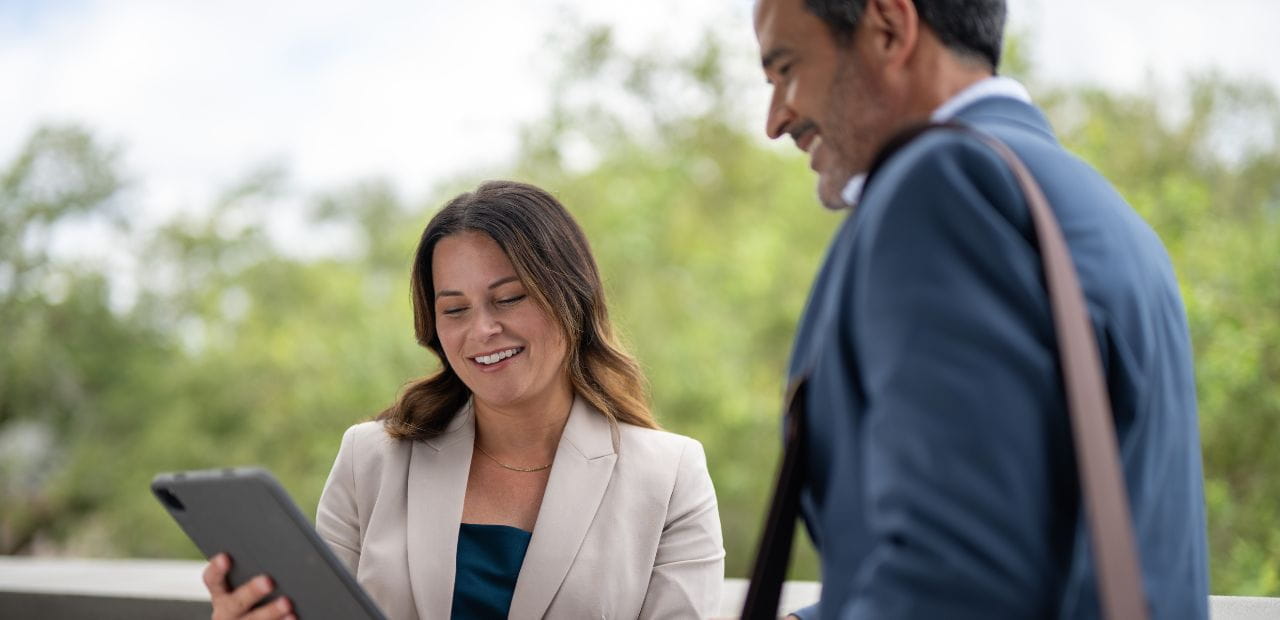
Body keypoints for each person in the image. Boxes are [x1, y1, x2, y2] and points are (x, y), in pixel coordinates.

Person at [751, 0, 1209, 618]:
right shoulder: (1097, 210)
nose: (777, 119)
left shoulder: (943, 185)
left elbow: (958, 582)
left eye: (786, 68)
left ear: (889, 28)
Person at [201, 180, 725, 619]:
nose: (483, 330)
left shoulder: (670, 475)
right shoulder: (370, 462)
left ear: (572, 295)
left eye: (509, 298)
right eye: (455, 309)